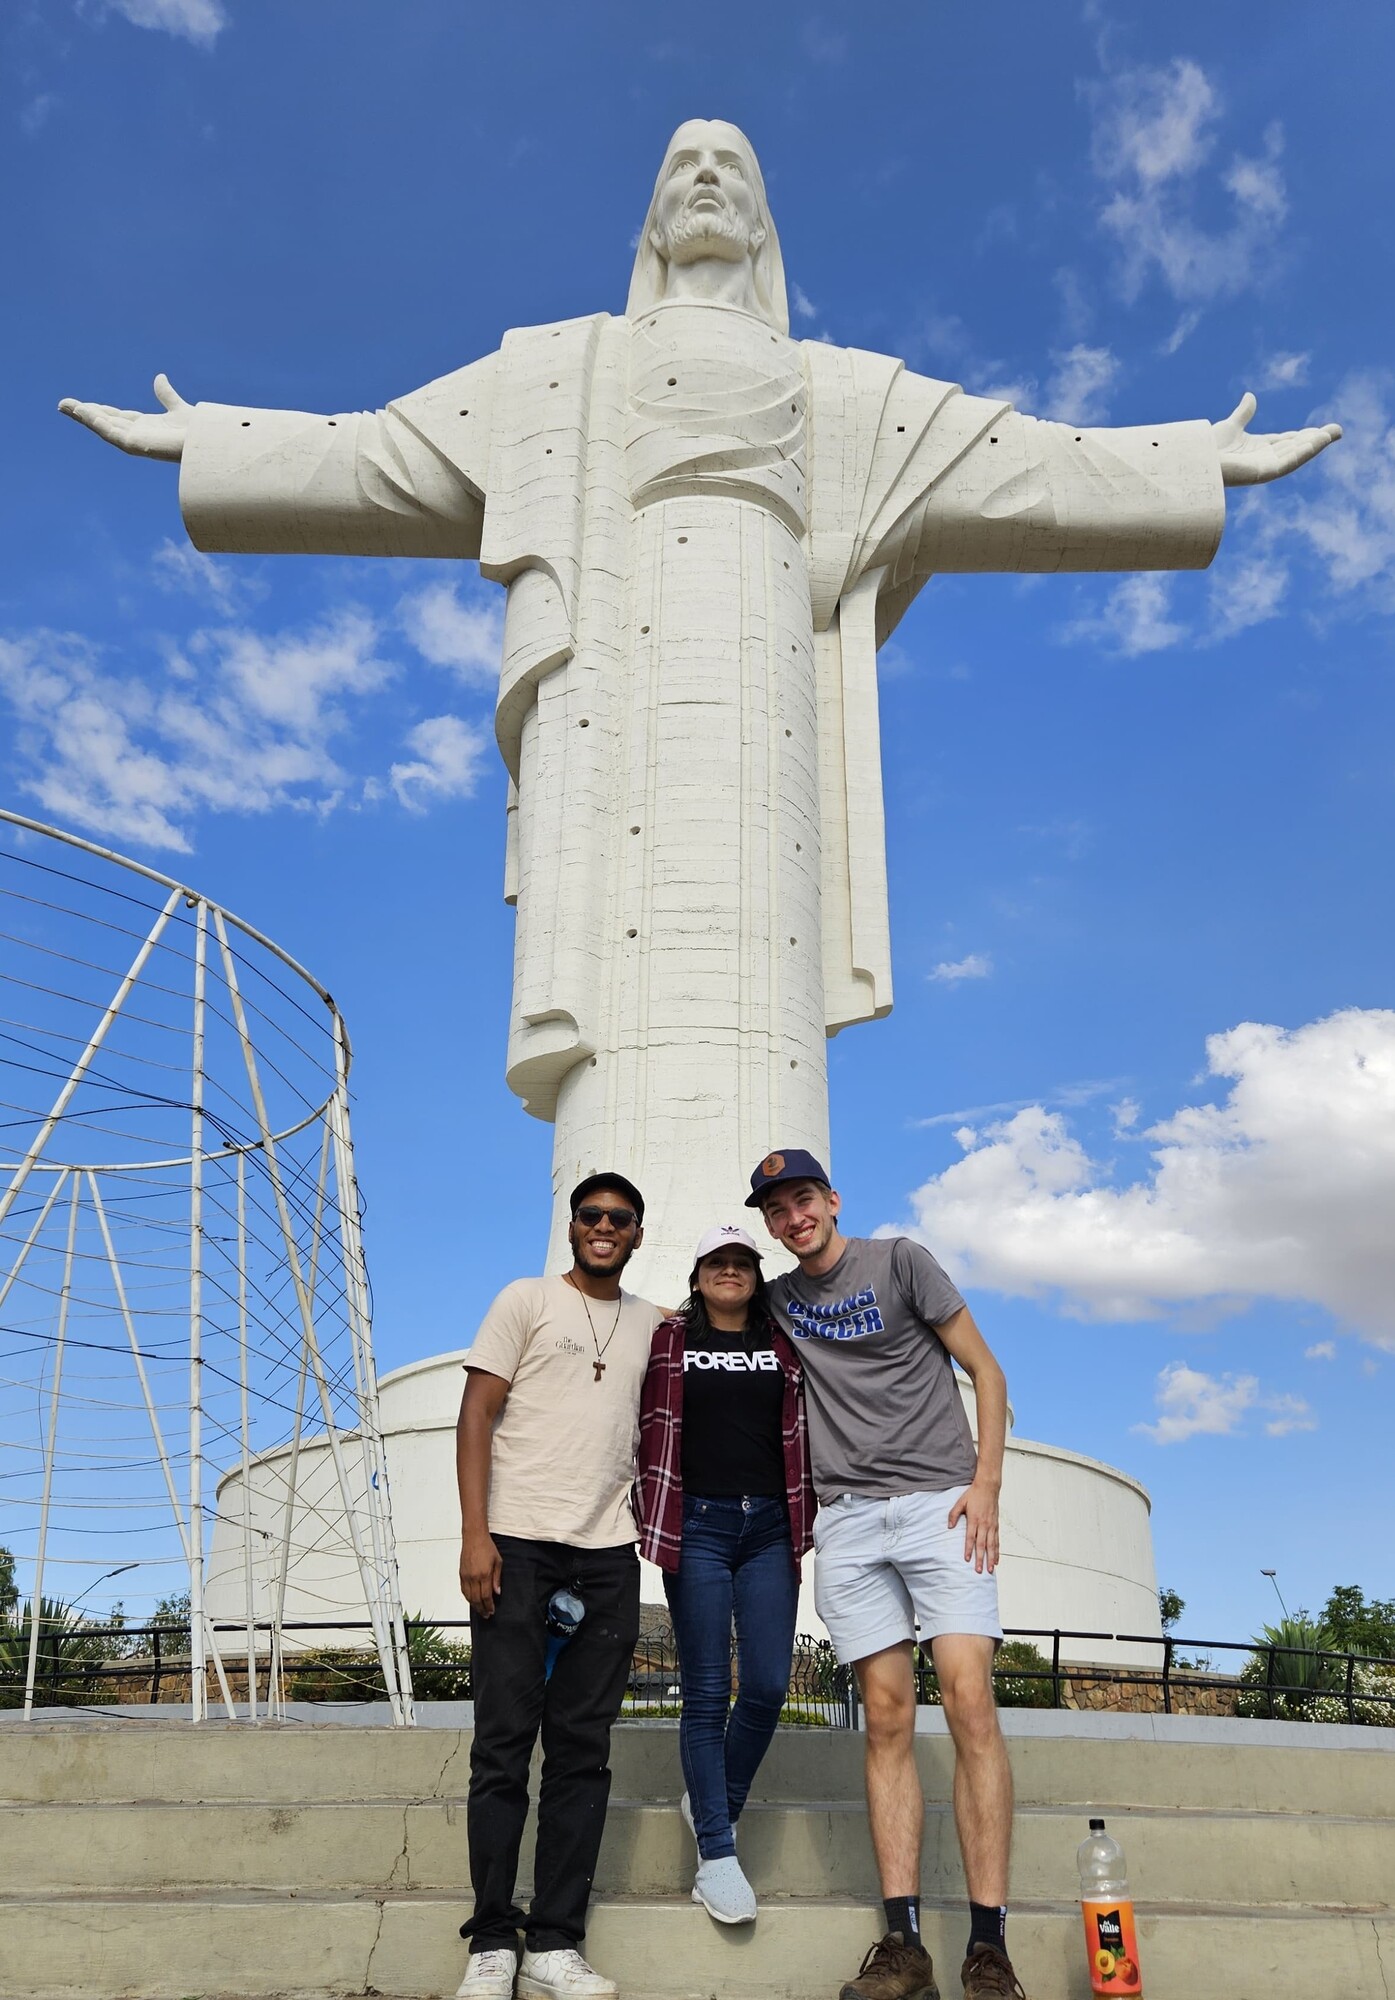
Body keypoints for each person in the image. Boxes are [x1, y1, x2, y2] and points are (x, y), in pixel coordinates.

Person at [747, 1149, 1026, 2000]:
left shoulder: (901, 1261)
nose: (793, 1217)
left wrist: (984, 1485)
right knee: (886, 1716)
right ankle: (901, 1943)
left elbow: (985, 1368)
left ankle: (988, 1946)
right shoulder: (777, 1300)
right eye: (776, 1210)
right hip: (850, 1519)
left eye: (803, 1200)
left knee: (968, 1698)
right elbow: (697, 1318)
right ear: (767, 1223)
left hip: (941, 1501)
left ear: (831, 1201)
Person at [454, 1174, 663, 2000]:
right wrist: (475, 1534)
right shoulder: (525, 1298)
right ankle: (491, 1941)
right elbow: (476, 1415)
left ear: (638, 1233)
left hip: (609, 1554)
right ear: (572, 1225)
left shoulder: (655, 1324)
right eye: (591, 1216)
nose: (604, 1227)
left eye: (619, 1219)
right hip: (516, 1545)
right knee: (503, 1745)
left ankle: (554, 1942)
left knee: (583, 1752)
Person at [634, 1224, 815, 1926]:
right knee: (706, 1690)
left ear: (755, 1274)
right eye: (717, 1262)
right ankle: (716, 1853)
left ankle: (714, 1803)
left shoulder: (783, 1343)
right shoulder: (667, 1341)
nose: (729, 1272)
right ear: (697, 1273)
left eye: (741, 1262)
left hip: (772, 1523)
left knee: (768, 1683)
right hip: (697, 1522)